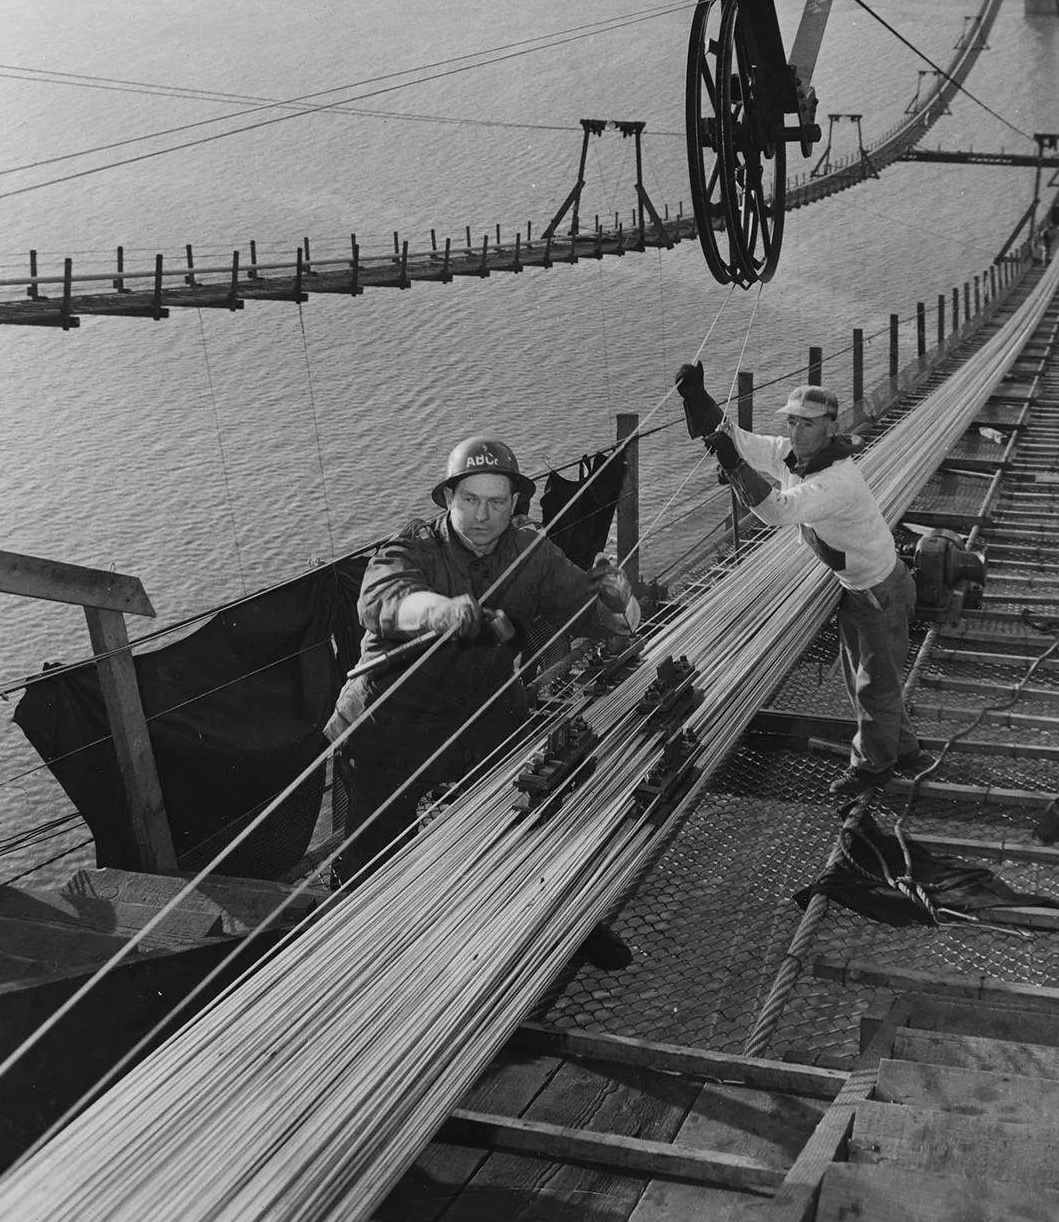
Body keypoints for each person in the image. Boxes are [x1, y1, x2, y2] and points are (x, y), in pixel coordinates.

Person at [329, 436, 638, 881]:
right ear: (449, 497)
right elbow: (381, 602)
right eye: (470, 499)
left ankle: (518, 906)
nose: (482, 515)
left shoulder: (533, 554)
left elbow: (607, 620)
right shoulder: (413, 548)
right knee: (375, 858)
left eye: (496, 502)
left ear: (514, 503)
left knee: (516, 816)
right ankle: (362, 911)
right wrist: (440, 611)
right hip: (390, 718)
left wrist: (618, 601)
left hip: (483, 707)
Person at [674, 364, 916, 802]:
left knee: (873, 684)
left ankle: (874, 767)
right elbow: (742, 442)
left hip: (881, 593)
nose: (797, 431)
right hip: (857, 588)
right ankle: (903, 746)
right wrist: (699, 399)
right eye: (792, 421)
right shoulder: (792, 454)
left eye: (808, 423)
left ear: (831, 427)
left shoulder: (836, 481)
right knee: (868, 680)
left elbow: (779, 511)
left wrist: (733, 467)